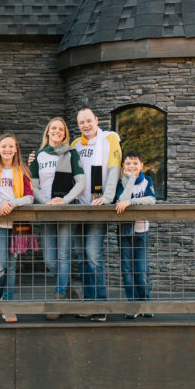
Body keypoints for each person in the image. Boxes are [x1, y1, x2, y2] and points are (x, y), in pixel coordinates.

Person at [29, 116, 85, 316]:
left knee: (63, 256)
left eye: (61, 129)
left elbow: (80, 182)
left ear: (64, 134)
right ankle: (69, 291)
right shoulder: (38, 157)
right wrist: (46, 203)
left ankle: (59, 299)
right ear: (48, 132)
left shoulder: (71, 154)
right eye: (54, 128)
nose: (57, 131)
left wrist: (64, 200)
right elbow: (33, 186)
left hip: (65, 210)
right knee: (50, 259)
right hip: (46, 210)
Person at [71, 108, 121, 315]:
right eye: (81, 122)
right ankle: (87, 302)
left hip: (97, 206)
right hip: (77, 206)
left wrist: (107, 198)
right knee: (81, 256)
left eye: (89, 121)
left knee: (93, 255)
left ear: (96, 120)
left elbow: (115, 168)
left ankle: (99, 305)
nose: (85, 125)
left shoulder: (109, 139)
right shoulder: (74, 145)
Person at [0, 133, 33, 321]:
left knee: (12, 266)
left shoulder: (23, 170)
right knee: (0, 265)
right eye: (4, 146)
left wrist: (11, 203)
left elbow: (29, 196)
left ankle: (8, 305)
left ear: (16, 149)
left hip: (18, 224)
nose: (7, 150)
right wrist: (0, 203)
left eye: (11, 146)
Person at [115, 151, 156, 316]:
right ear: (123, 166)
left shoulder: (148, 181)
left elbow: (151, 200)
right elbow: (120, 201)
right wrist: (130, 179)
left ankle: (145, 304)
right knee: (127, 269)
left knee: (141, 269)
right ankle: (132, 306)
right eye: (128, 163)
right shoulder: (120, 182)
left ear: (142, 166)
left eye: (135, 163)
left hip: (142, 231)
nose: (132, 166)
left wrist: (131, 202)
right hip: (124, 232)